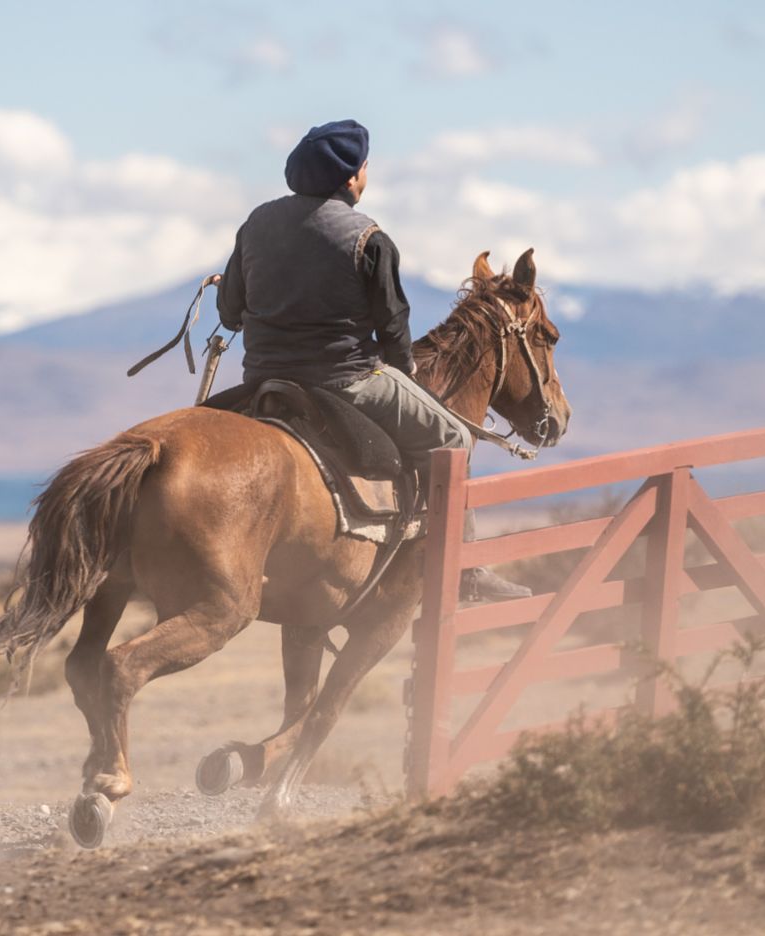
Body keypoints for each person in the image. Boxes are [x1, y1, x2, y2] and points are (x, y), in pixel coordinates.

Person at [215, 119, 530, 602]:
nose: (366, 175)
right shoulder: (370, 238)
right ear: (350, 177)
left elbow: (230, 314)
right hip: (347, 380)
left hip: (263, 379)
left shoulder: (255, 223)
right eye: (365, 167)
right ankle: (464, 571)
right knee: (453, 435)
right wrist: (403, 371)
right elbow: (393, 326)